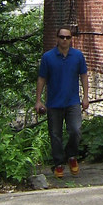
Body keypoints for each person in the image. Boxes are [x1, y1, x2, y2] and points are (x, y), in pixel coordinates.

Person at [35, 28, 90, 179]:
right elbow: (42, 79)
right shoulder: (48, 57)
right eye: (62, 37)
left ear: (71, 39)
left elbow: (84, 75)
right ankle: (58, 163)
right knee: (55, 135)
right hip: (54, 103)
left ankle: (71, 156)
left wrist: (85, 96)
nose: (65, 40)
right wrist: (38, 100)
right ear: (57, 38)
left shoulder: (78, 56)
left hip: (73, 102)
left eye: (67, 37)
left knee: (75, 130)